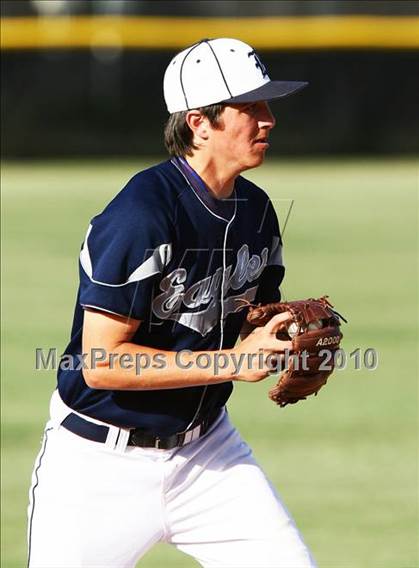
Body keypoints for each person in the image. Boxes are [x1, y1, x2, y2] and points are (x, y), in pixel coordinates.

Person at [27, 38, 315, 568]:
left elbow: (248, 317)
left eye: (267, 104)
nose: (268, 119)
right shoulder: (140, 215)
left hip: (208, 455)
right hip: (97, 465)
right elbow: (102, 363)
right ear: (199, 123)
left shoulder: (257, 210)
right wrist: (233, 363)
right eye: (250, 106)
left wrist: (285, 333)